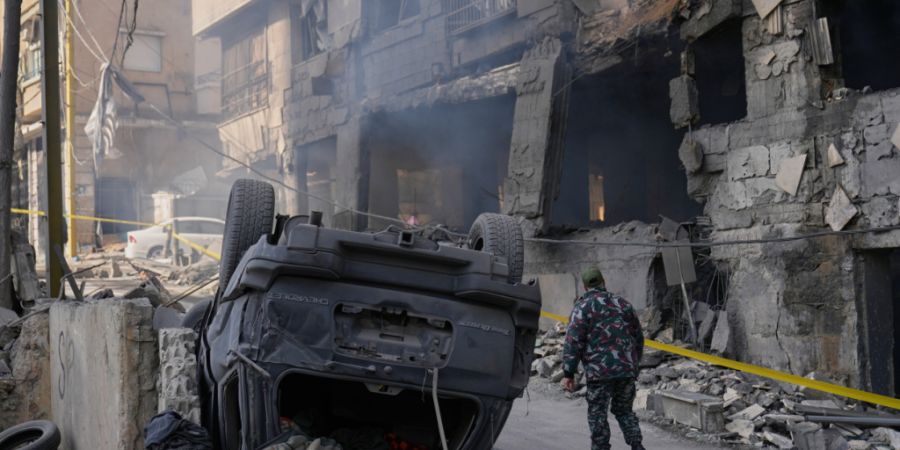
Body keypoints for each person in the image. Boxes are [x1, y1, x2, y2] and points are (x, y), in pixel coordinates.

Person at [562, 266, 645, 450]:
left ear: (585, 287)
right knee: (624, 410)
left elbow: (573, 342)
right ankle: (637, 445)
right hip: (626, 370)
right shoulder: (623, 304)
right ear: (603, 282)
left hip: (599, 373)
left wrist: (568, 372)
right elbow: (638, 338)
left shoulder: (582, 308)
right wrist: (633, 364)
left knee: (597, 414)